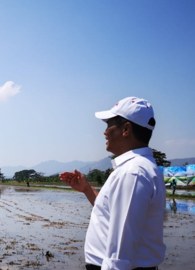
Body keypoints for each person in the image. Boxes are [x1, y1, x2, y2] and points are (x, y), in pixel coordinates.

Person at [59, 97, 165, 270]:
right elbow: (114, 212)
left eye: (109, 125)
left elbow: (120, 253)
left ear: (126, 129)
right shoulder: (138, 168)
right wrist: (86, 189)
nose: (105, 132)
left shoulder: (133, 172)